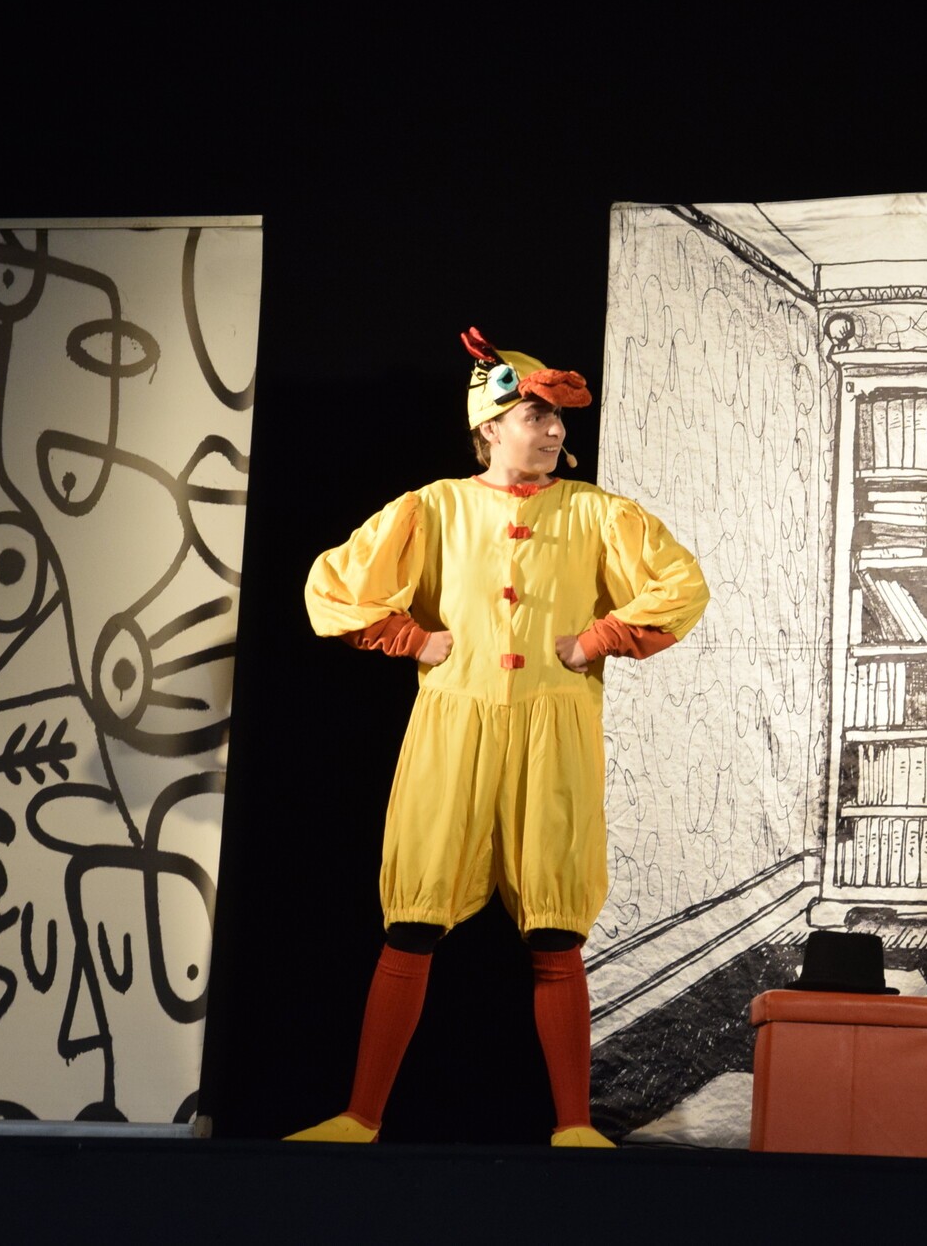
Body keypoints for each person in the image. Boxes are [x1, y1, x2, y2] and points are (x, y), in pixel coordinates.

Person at [287, 328, 708, 1146]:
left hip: (555, 729)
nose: (552, 430)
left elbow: (680, 584)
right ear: (490, 426)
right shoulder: (435, 507)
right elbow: (332, 585)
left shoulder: (594, 512)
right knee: (414, 919)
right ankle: (359, 1115)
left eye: (557, 419)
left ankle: (574, 1124)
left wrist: (600, 637)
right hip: (454, 724)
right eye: (534, 416)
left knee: (556, 927)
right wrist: (409, 638)